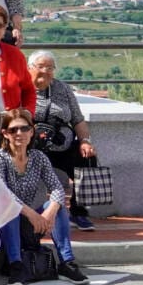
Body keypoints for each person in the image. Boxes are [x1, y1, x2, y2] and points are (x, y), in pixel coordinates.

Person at [0, 109, 89, 285]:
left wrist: (50, 212)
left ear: (32, 131)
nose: (19, 133)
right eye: (14, 130)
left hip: (30, 221)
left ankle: (67, 263)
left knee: (56, 205)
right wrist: (32, 215)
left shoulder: (38, 157)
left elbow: (57, 188)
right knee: (10, 209)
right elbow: (4, 194)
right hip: (2, 225)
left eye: (24, 128)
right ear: (5, 134)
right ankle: (16, 266)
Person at [26, 50, 97, 231]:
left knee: (87, 158)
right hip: (32, 149)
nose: (46, 71)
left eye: (50, 68)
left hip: (61, 147)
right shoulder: (22, 88)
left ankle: (79, 212)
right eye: (41, 66)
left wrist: (85, 141)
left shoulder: (63, 89)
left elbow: (78, 119)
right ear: (29, 68)